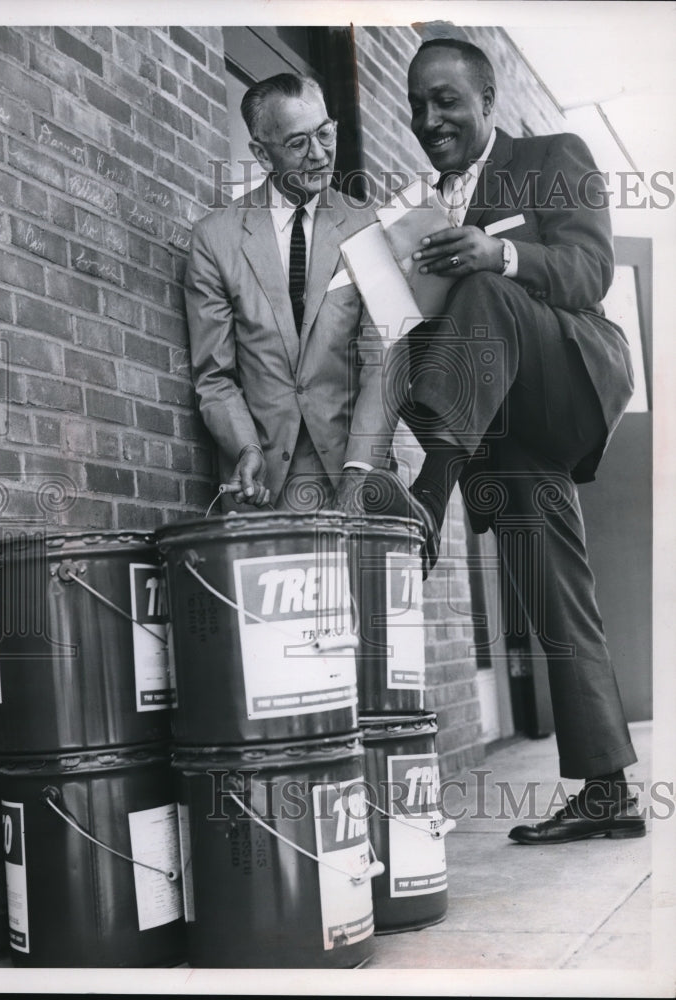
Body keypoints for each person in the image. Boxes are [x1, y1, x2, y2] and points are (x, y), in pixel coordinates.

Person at [364, 38, 646, 844]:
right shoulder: (426, 204)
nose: (429, 118)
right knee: (552, 587)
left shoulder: (552, 155)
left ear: (487, 97)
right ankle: (605, 790)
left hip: (569, 375)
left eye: (446, 99)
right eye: (417, 105)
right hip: (501, 421)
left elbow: (590, 272)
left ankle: (432, 494)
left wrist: (500, 251)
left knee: (483, 286)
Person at [185, 73, 392, 514]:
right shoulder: (214, 239)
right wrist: (245, 449)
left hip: (354, 472)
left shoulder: (371, 226)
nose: (319, 155)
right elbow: (215, 375)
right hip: (261, 488)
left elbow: (385, 358)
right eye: (298, 144)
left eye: (325, 133)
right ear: (261, 153)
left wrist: (360, 470)